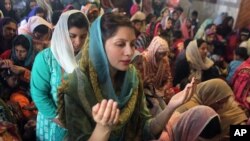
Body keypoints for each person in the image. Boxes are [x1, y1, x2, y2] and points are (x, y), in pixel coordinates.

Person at [58, 12, 196, 141]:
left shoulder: (131, 77)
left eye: (132, 44)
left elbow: (146, 129)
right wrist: (103, 129)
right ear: (99, 45)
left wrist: (171, 107)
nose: (130, 52)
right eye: (120, 44)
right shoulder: (76, 85)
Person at [30, 10, 89, 141]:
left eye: (83, 36)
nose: (78, 42)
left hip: (83, 124)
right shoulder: (46, 59)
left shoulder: (88, 58)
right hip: (52, 124)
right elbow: (39, 95)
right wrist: (60, 120)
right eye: (72, 36)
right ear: (62, 33)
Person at [176, 79, 248, 140]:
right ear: (210, 97)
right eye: (219, 103)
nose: (222, 107)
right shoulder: (192, 109)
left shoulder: (207, 99)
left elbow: (233, 111)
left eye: (224, 103)